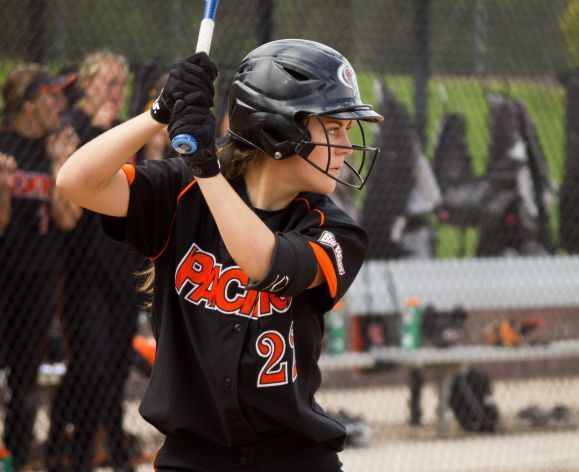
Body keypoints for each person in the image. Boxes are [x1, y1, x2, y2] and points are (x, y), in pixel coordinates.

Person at [56, 39, 383, 471]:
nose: (346, 145)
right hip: (193, 458)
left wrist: (205, 167)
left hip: (295, 457)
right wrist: (160, 113)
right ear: (281, 130)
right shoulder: (181, 193)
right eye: (334, 128)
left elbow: (264, 262)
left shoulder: (335, 228)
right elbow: (76, 182)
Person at [45, 51, 140, 471]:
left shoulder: (121, 128)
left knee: (117, 366)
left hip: (121, 266)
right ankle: (71, 448)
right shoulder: (75, 128)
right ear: (86, 84)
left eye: (121, 83)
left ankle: (109, 448)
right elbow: (70, 206)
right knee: (91, 365)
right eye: (108, 82)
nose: (116, 91)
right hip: (83, 270)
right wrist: (98, 135)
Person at [0, 63, 81, 471]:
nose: (61, 104)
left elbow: (68, 219)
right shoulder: (3, 142)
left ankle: (16, 454)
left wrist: (60, 167)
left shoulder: (57, 144)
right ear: (29, 102)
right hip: (4, 272)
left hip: (42, 274)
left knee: (26, 375)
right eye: (52, 95)